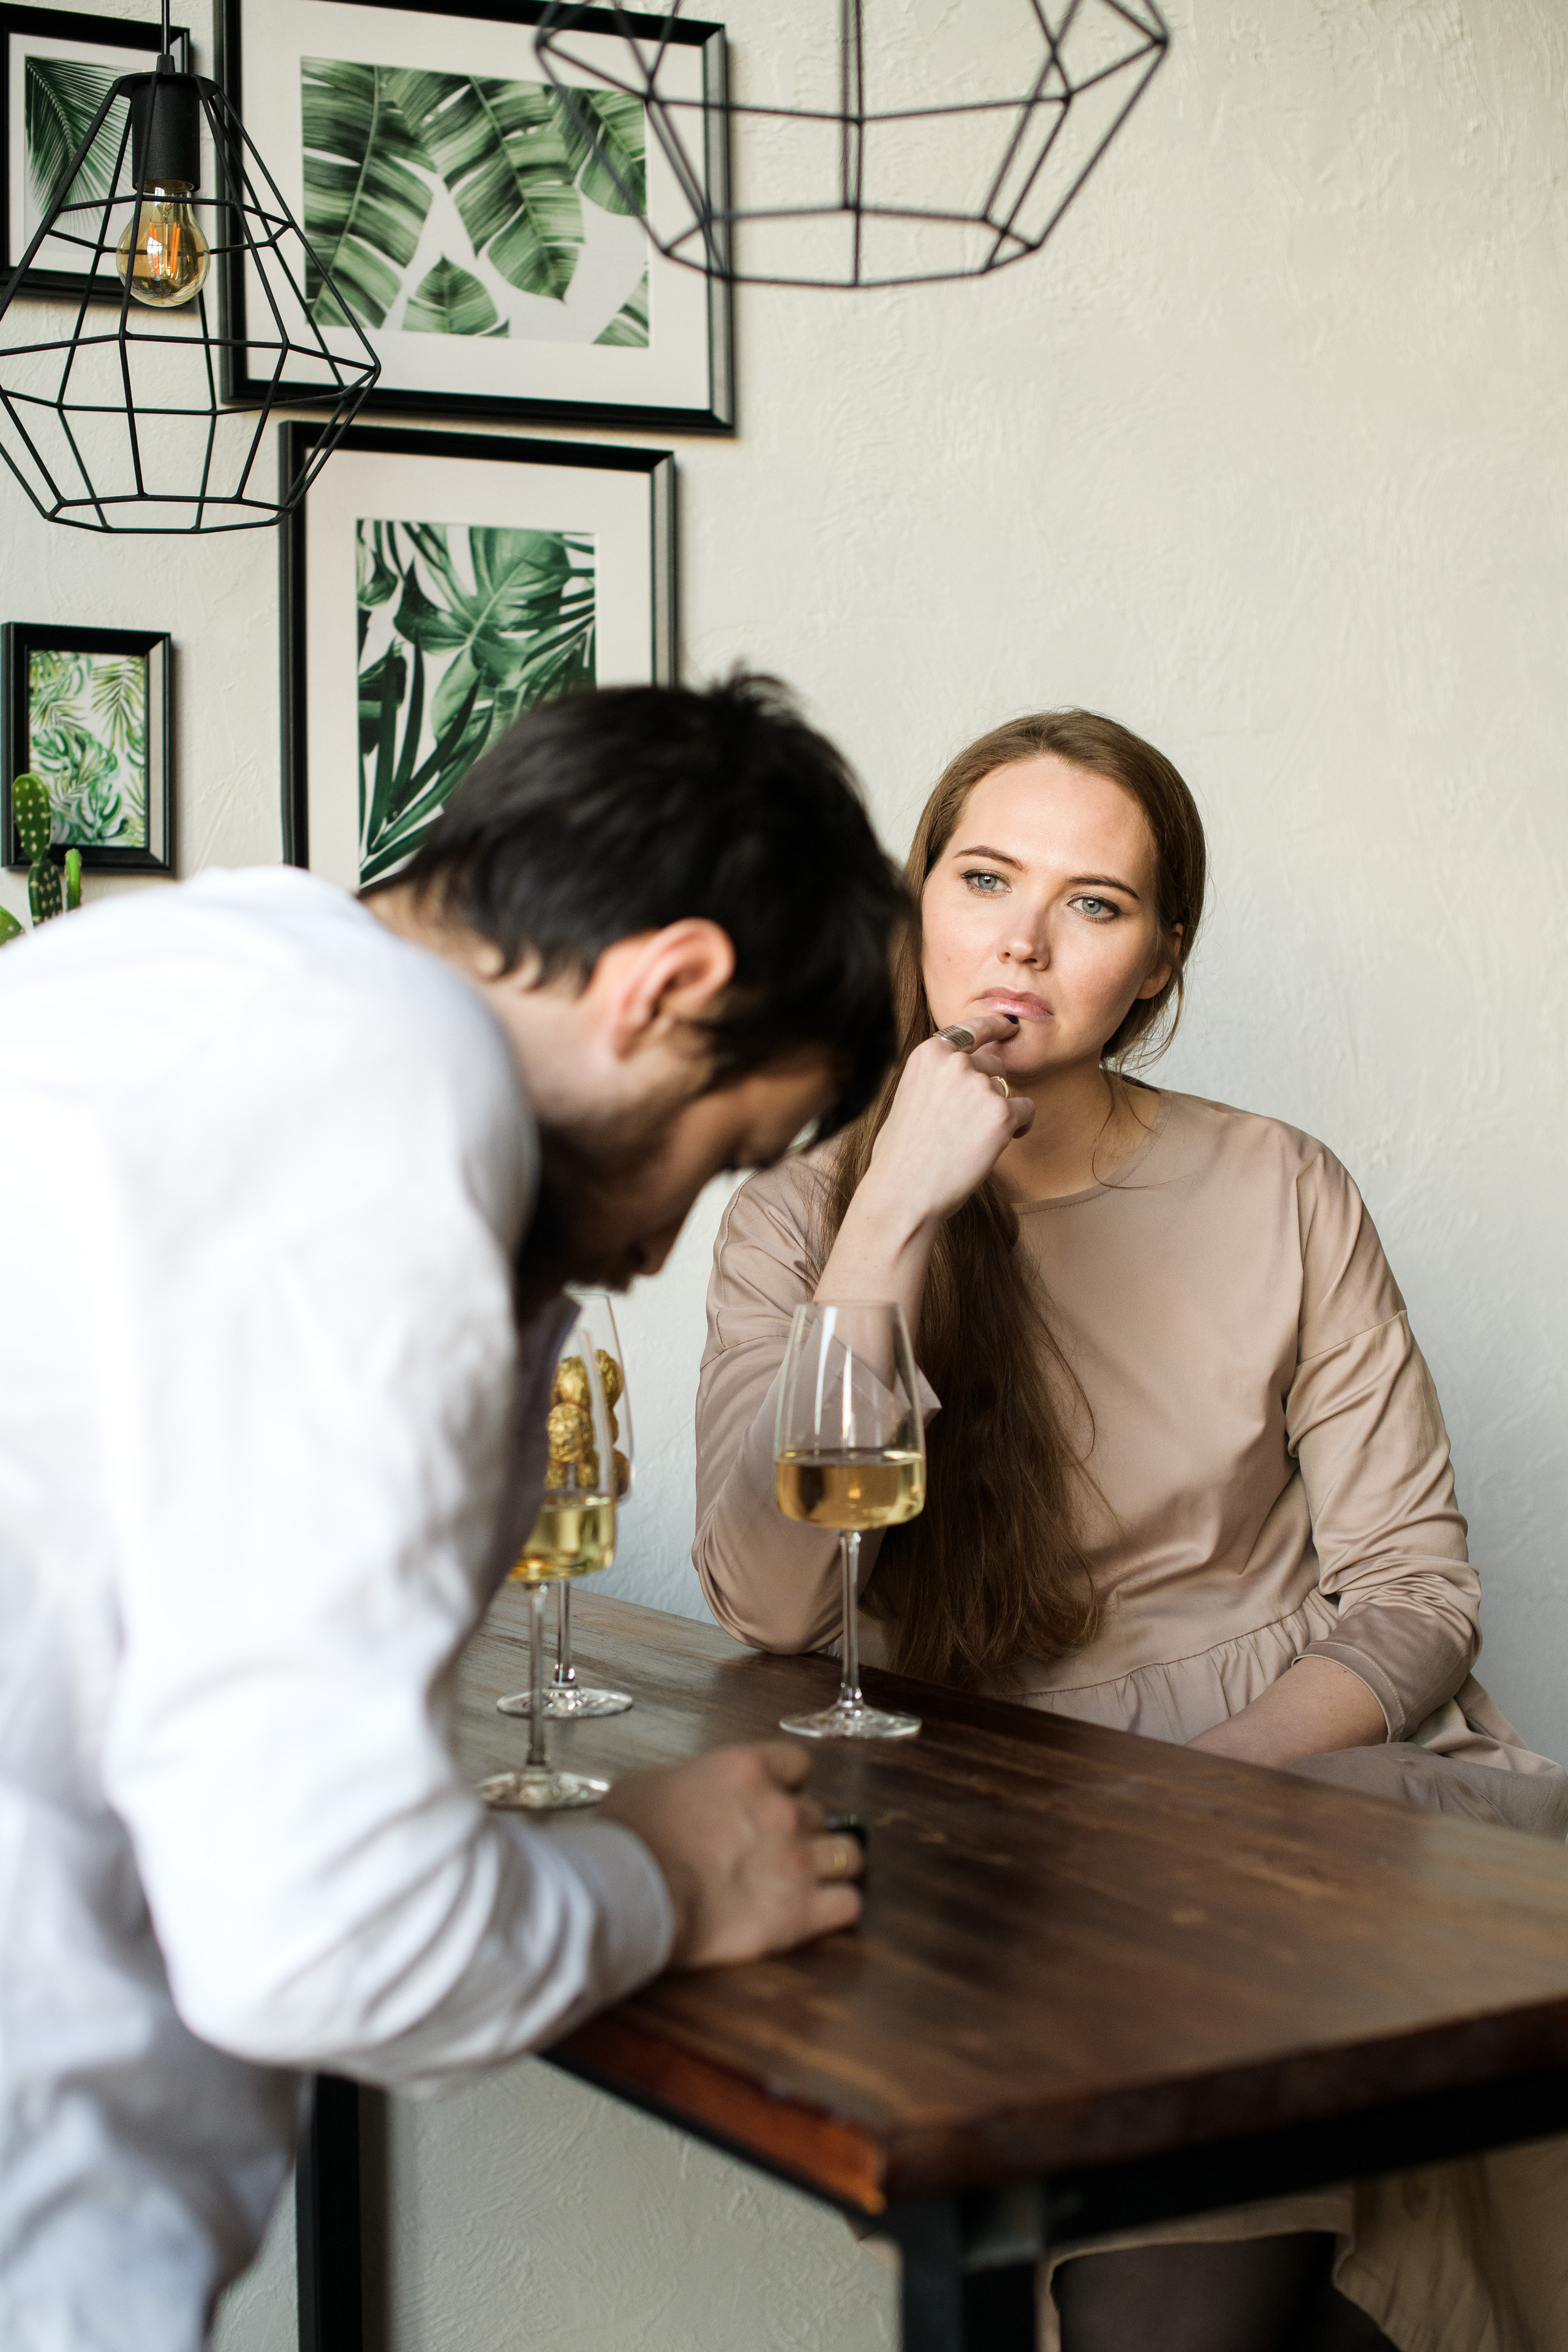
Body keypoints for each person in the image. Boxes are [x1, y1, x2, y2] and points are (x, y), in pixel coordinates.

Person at [0, 674, 905, 2352]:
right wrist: (664, 1879)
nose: (660, 1250)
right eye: (722, 1154)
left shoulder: (165, 974)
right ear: (666, 985)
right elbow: (329, 1939)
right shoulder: (390, 1127)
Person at [692, 709, 1568, 2352]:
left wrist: (1191, 1801)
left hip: (1314, 1787)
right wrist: (893, 1212)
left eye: (1092, 903)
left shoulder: (1283, 1183)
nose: (1021, 940)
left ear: (1158, 964)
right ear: (917, 903)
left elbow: (1414, 1590)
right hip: (1012, 1843)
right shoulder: (799, 1215)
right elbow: (772, 1599)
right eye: (984, 879)